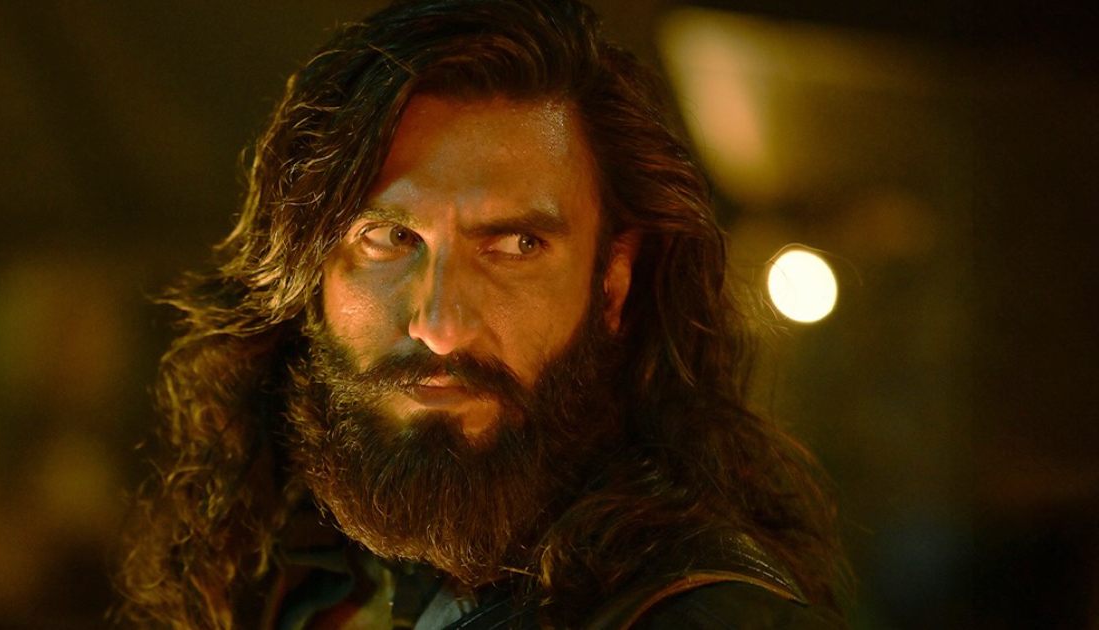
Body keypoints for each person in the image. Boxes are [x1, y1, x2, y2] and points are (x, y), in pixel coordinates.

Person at [116, 0, 847, 627]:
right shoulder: (271, 572)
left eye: (516, 245)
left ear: (612, 286)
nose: (439, 326)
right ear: (309, 268)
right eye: (388, 238)